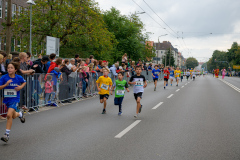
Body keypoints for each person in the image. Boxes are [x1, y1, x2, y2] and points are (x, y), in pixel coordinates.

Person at [0, 62, 26, 143]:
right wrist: (6, 84)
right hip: (7, 99)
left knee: (8, 115)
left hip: (15, 99)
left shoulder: (18, 77)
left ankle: (6, 134)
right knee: (13, 115)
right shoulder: (4, 77)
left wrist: (20, 87)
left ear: (15, 69)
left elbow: (24, 82)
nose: (9, 69)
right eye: (8, 68)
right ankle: (20, 114)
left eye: (11, 68)